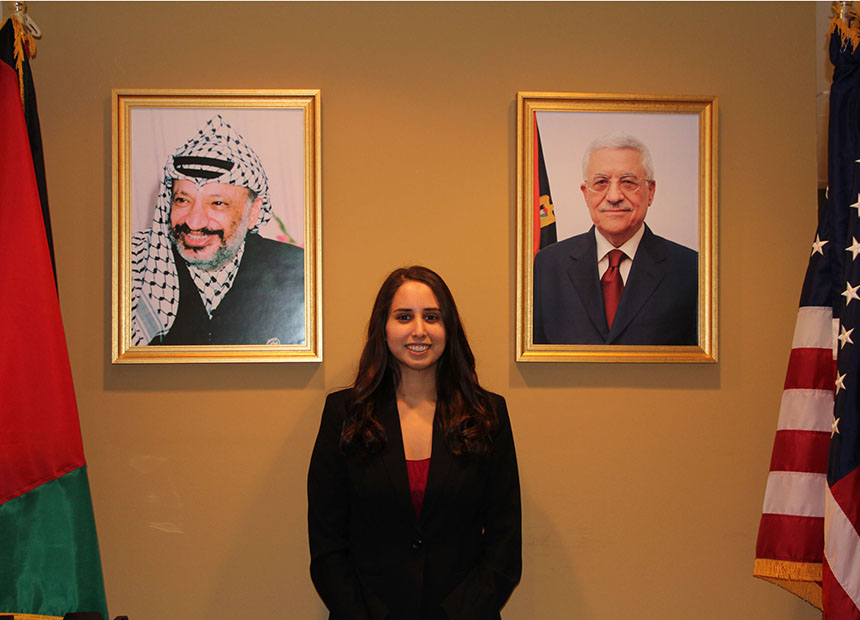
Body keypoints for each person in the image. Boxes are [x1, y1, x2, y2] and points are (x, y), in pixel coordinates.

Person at [308, 266, 521, 619]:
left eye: (432, 317)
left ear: (448, 328)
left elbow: (505, 540)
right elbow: (327, 542)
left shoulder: (488, 414)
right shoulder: (343, 413)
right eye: (404, 316)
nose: (419, 330)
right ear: (384, 327)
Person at [131, 114, 305, 346]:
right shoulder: (136, 265)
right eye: (182, 200)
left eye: (217, 203)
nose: (194, 222)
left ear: (253, 212)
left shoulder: (297, 270)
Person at [533, 131, 698, 345]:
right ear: (586, 194)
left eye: (628, 182)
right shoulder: (548, 265)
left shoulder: (690, 270)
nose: (614, 196)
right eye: (601, 182)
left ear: (651, 192)